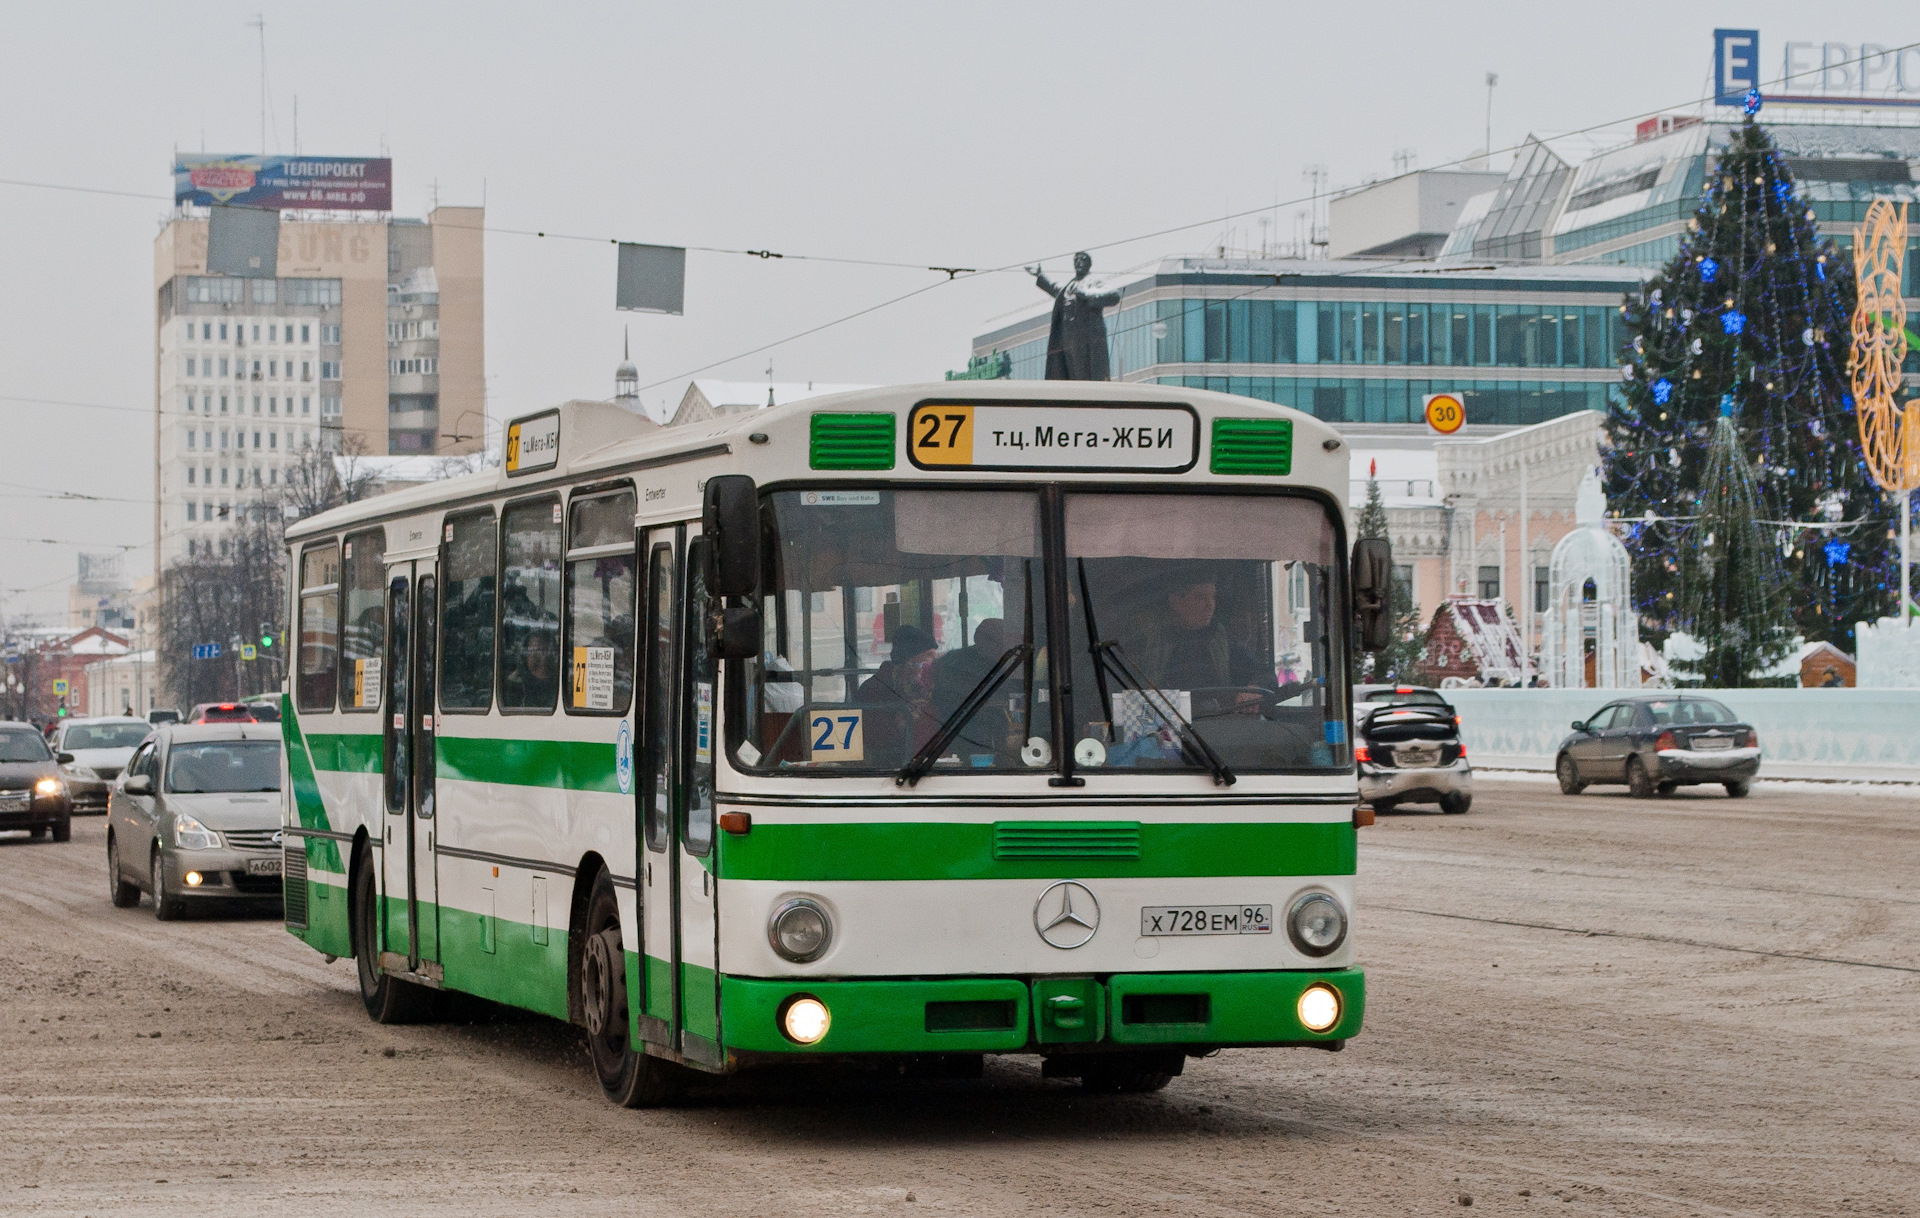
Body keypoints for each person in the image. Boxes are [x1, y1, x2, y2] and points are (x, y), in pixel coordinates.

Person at [1137, 573, 1269, 713]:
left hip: (1213, 726)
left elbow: (1262, 673)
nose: (1210, 605)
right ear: (1175, 601)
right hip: (1161, 727)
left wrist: (1253, 687)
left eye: (1213, 597)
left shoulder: (1219, 640)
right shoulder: (1148, 640)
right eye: (1200, 597)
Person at [931, 619, 1016, 757]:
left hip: (993, 732)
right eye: (991, 640)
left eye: (1001, 641)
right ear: (977, 639)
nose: (999, 646)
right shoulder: (954, 662)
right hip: (958, 729)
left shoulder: (1004, 663)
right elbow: (943, 697)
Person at [855, 624, 937, 762]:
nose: (933, 664)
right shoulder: (875, 690)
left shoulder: (927, 689)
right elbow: (875, 741)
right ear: (909, 660)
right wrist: (905, 723)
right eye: (928, 657)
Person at [503, 625, 559, 707]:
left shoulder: (565, 688)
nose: (543, 659)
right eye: (536, 653)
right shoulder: (511, 688)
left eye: (549, 653)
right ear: (524, 658)